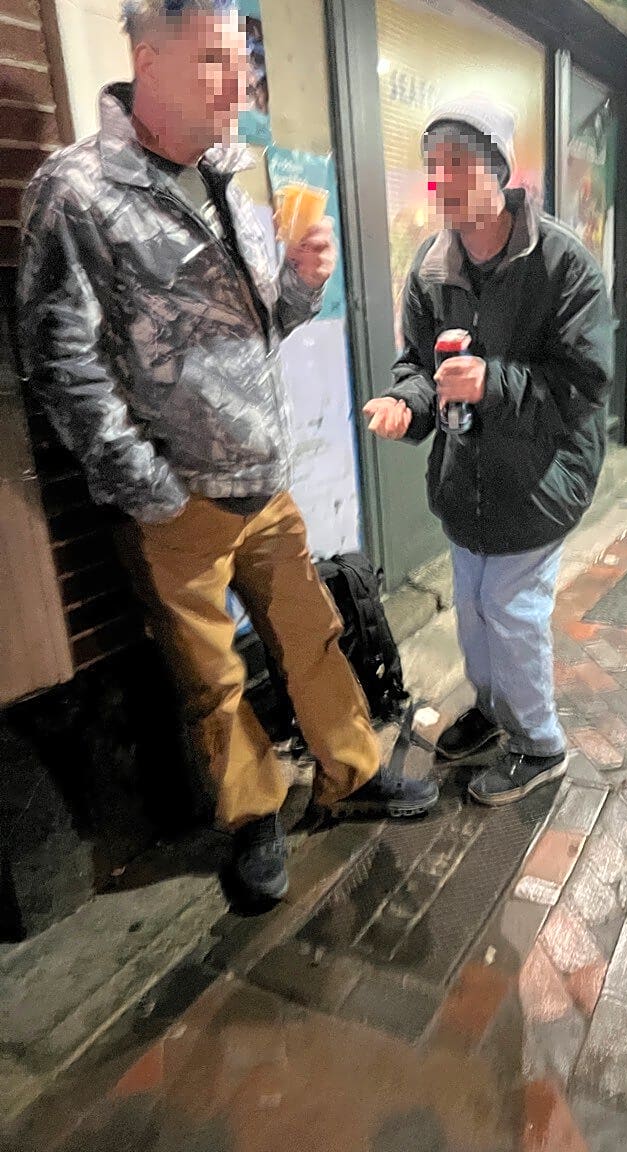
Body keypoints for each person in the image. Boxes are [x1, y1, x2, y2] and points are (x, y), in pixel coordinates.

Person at [16, 0, 438, 906]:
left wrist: (303, 285)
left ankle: (351, 775)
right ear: (147, 60)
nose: (237, 81)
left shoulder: (227, 177)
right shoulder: (78, 190)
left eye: (241, 59)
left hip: (265, 483)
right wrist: (150, 488)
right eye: (213, 59)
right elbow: (59, 361)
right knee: (212, 680)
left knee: (313, 638)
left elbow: (260, 324)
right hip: (175, 499)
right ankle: (253, 821)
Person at [365, 97, 614, 806]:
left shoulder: (561, 263)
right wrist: (405, 405)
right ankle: (491, 709)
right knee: (474, 609)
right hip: (465, 479)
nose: (440, 180)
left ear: (499, 171)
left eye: (457, 163)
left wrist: (492, 383)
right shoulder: (431, 265)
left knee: (510, 610)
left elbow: (585, 383)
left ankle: (539, 742)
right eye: (431, 165)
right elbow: (419, 367)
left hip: (539, 477)